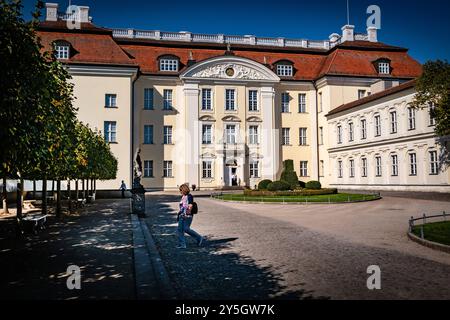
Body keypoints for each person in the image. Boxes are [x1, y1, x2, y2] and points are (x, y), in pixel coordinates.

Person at [177, 184, 204, 249]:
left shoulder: (189, 196)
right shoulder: (183, 196)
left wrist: (186, 214)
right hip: (182, 215)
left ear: (184, 190)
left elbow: (190, 205)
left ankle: (199, 237)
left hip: (187, 216)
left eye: (181, 190)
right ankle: (182, 244)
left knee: (186, 229)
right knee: (180, 229)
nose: (180, 192)